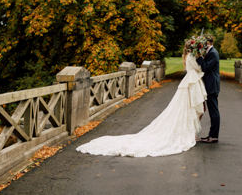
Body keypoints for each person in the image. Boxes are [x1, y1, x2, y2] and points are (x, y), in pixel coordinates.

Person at [76, 40, 207, 157]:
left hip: (191, 82)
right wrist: (200, 58)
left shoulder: (189, 55)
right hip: (192, 81)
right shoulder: (191, 56)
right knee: (188, 108)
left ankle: (191, 131)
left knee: (190, 108)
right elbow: (199, 68)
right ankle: (189, 133)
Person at [196, 35, 220, 143]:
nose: (203, 45)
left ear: (208, 43)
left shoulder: (213, 53)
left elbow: (206, 68)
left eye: (204, 43)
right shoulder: (210, 52)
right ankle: (211, 135)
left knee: (214, 112)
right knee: (212, 111)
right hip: (210, 85)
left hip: (212, 85)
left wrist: (199, 58)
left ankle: (214, 136)